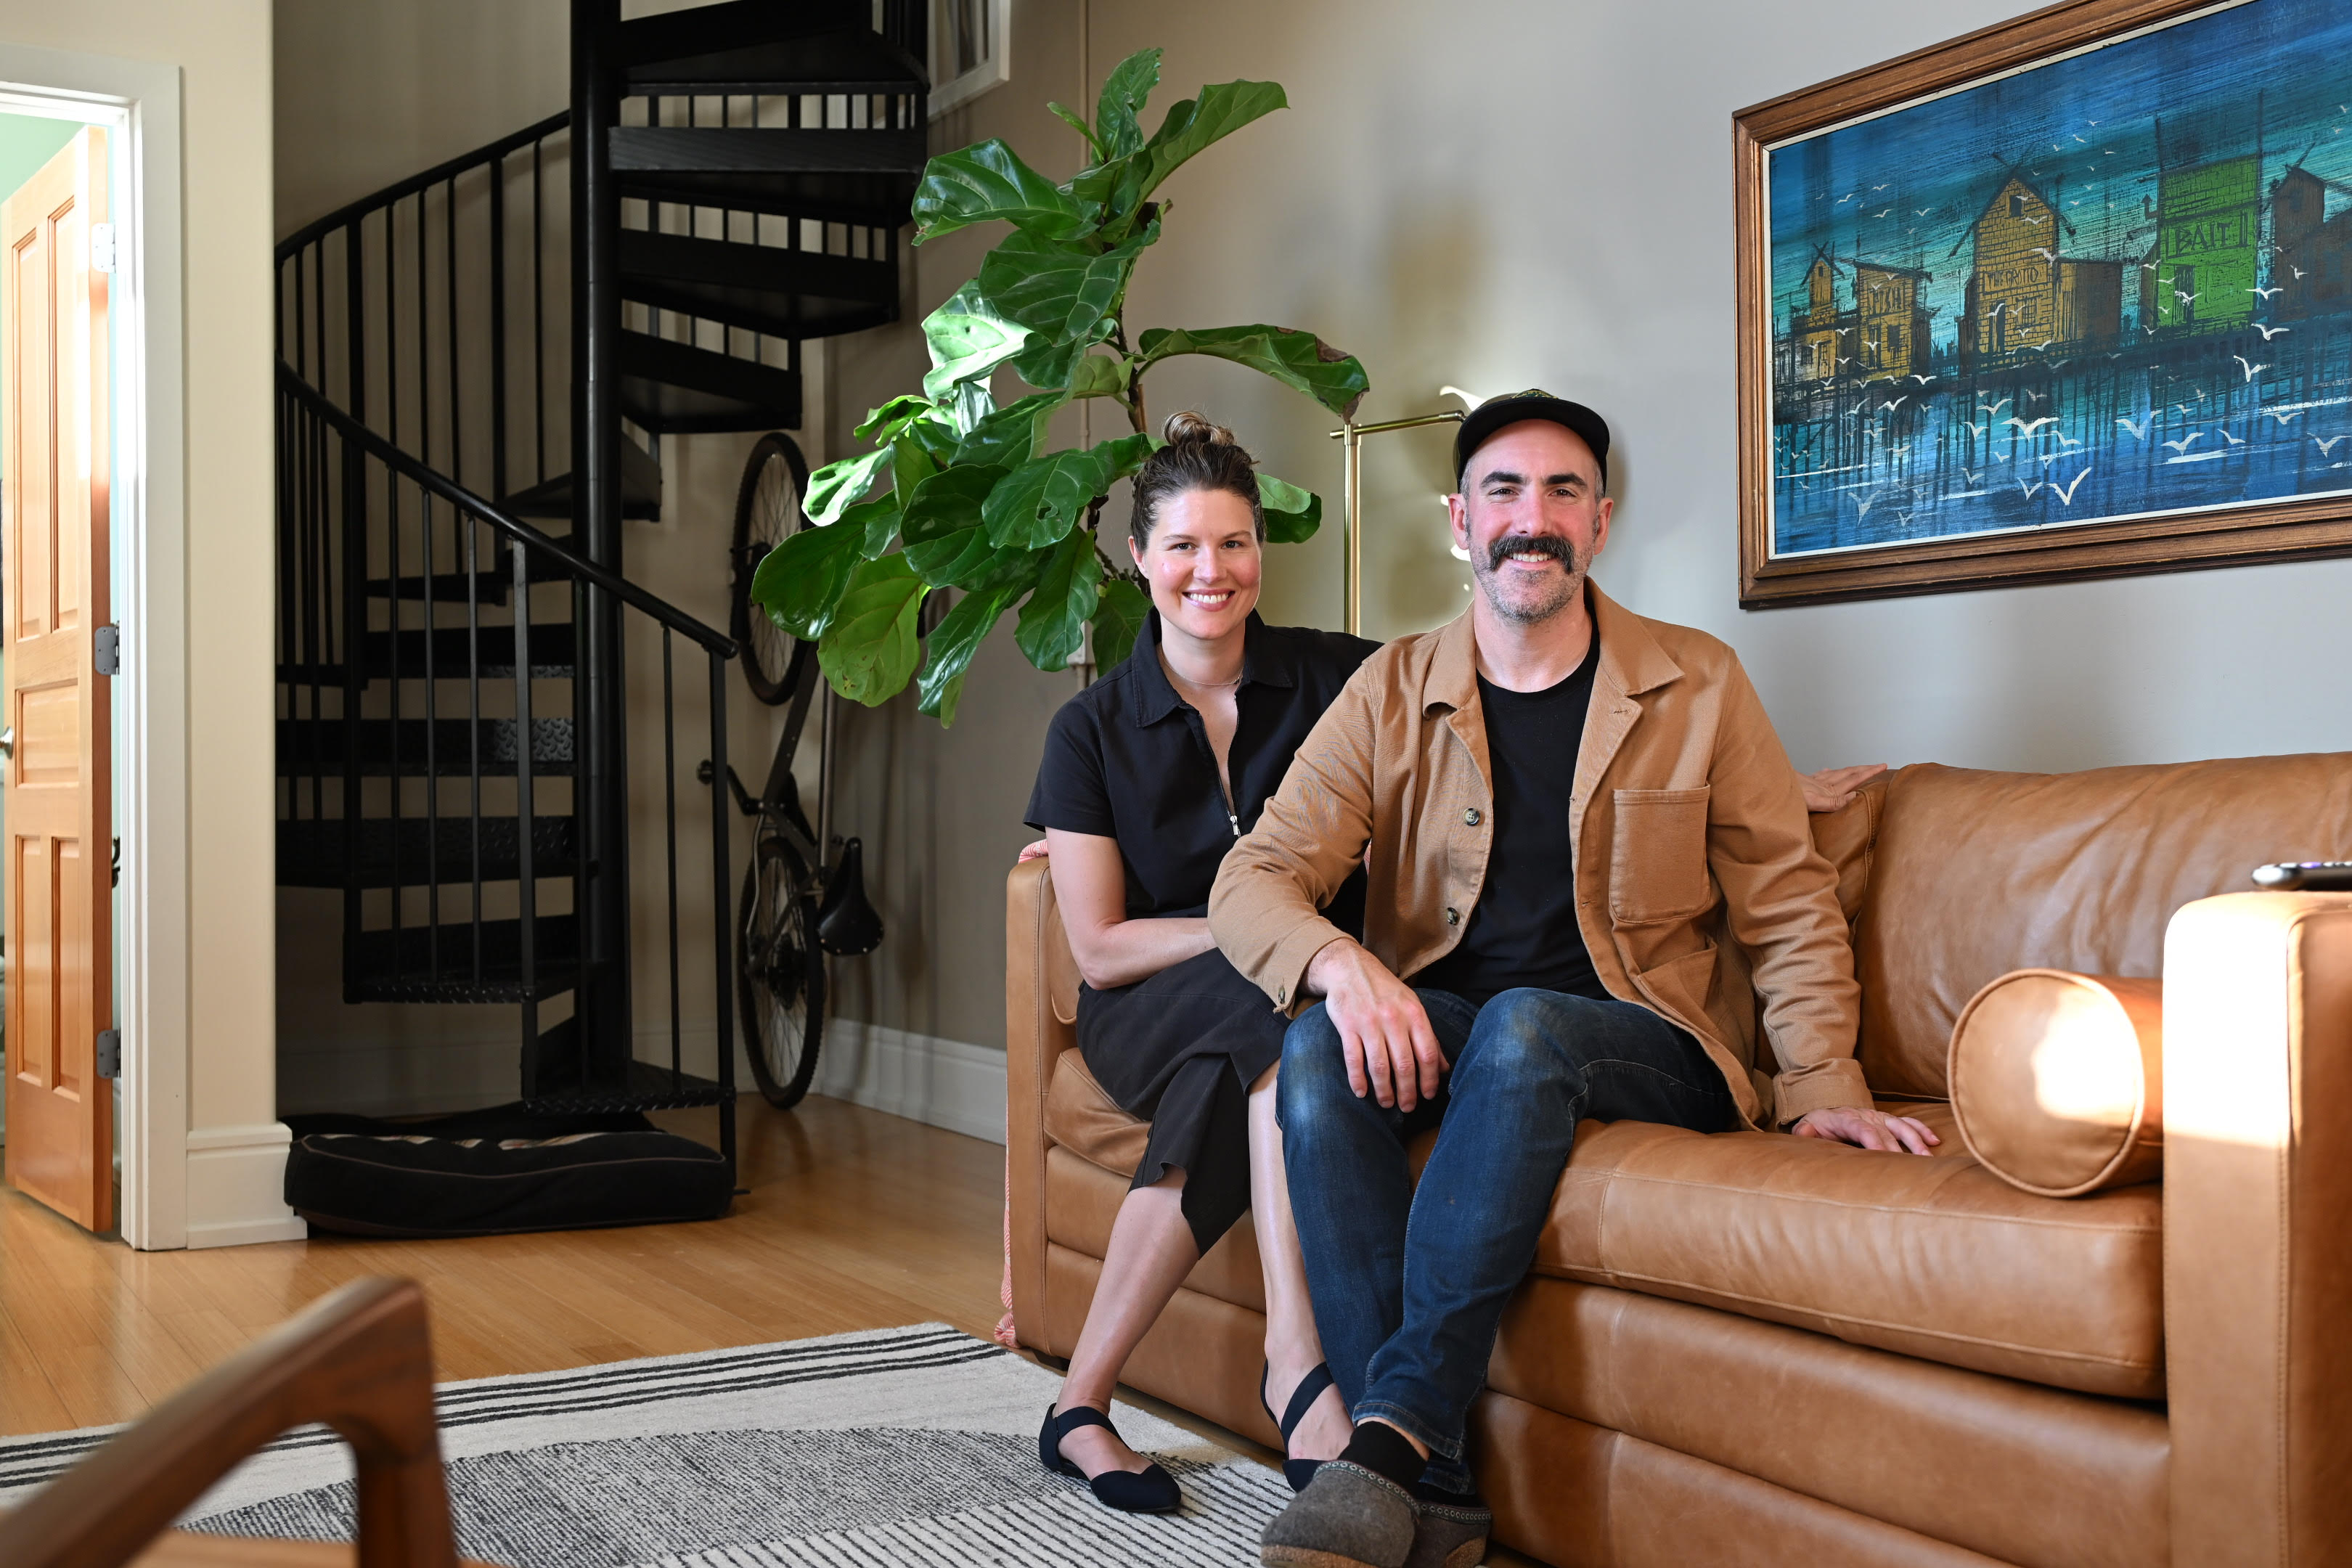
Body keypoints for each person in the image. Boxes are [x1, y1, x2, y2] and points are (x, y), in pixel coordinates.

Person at [1206, 391, 1936, 1568]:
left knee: (1526, 1025)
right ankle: (1436, 1492)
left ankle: (1382, 1445)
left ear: (1600, 521)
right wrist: (1344, 968)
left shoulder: (1699, 683)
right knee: (1316, 1049)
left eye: (1562, 492)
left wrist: (1822, 1081)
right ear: (1462, 521)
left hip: (1649, 1035)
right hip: (1464, 1027)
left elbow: (1785, 898)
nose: (1531, 518)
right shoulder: (1391, 690)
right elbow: (1252, 879)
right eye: (1502, 491)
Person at [1022, 412, 1377, 1514]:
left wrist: (1736, 788)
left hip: (1269, 1009)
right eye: (1182, 546)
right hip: (1142, 1007)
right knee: (1276, 997)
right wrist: (1265, 928)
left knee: (1245, 1059)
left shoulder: (1338, 678)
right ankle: (1296, 1359)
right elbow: (1100, 948)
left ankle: (1079, 1405)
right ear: (1141, 558)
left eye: (1233, 543)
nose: (1209, 571)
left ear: (1260, 551)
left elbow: (1498, 721)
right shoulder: (1089, 731)